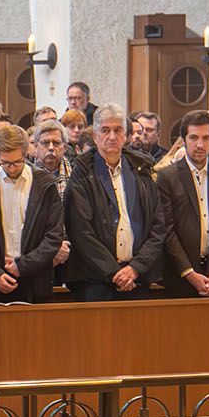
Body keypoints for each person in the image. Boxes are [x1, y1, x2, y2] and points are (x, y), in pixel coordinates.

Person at [63, 106, 164, 300]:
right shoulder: (82, 174)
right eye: (105, 130)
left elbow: (157, 226)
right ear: (95, 136)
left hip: (137, 276)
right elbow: (80, 231)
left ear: (126, 135)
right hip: (95, 280)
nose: (112, 136)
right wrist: (113, 272)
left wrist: (135, 268)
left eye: (117, 130)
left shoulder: (141, 171)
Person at [0, 124, 67, 303]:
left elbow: (54, 235)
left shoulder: (45, 184)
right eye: (5, 163)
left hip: (37, 283)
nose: (11, 168)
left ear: (26, 154)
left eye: (17, 162)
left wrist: (23, 266)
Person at [155, 110, 209, 298]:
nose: (200, 145)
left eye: (206, 138)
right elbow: (167, 230)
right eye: (194, 137)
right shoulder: (167, 176)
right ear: (183, 139)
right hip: (180, 276)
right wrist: (190, 273)